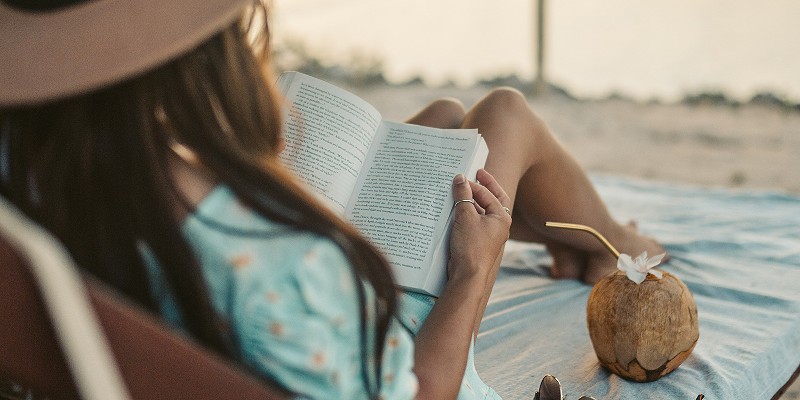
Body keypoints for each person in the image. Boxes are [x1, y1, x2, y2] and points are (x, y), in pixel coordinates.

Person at [0, 0, 664, 399]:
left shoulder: (32, 186)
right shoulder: (290, 269)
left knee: (437, 122)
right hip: (402, 350)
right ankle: (613, 243)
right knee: (503, 114)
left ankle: (572, 242)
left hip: (255, 324)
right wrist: (472, 272)